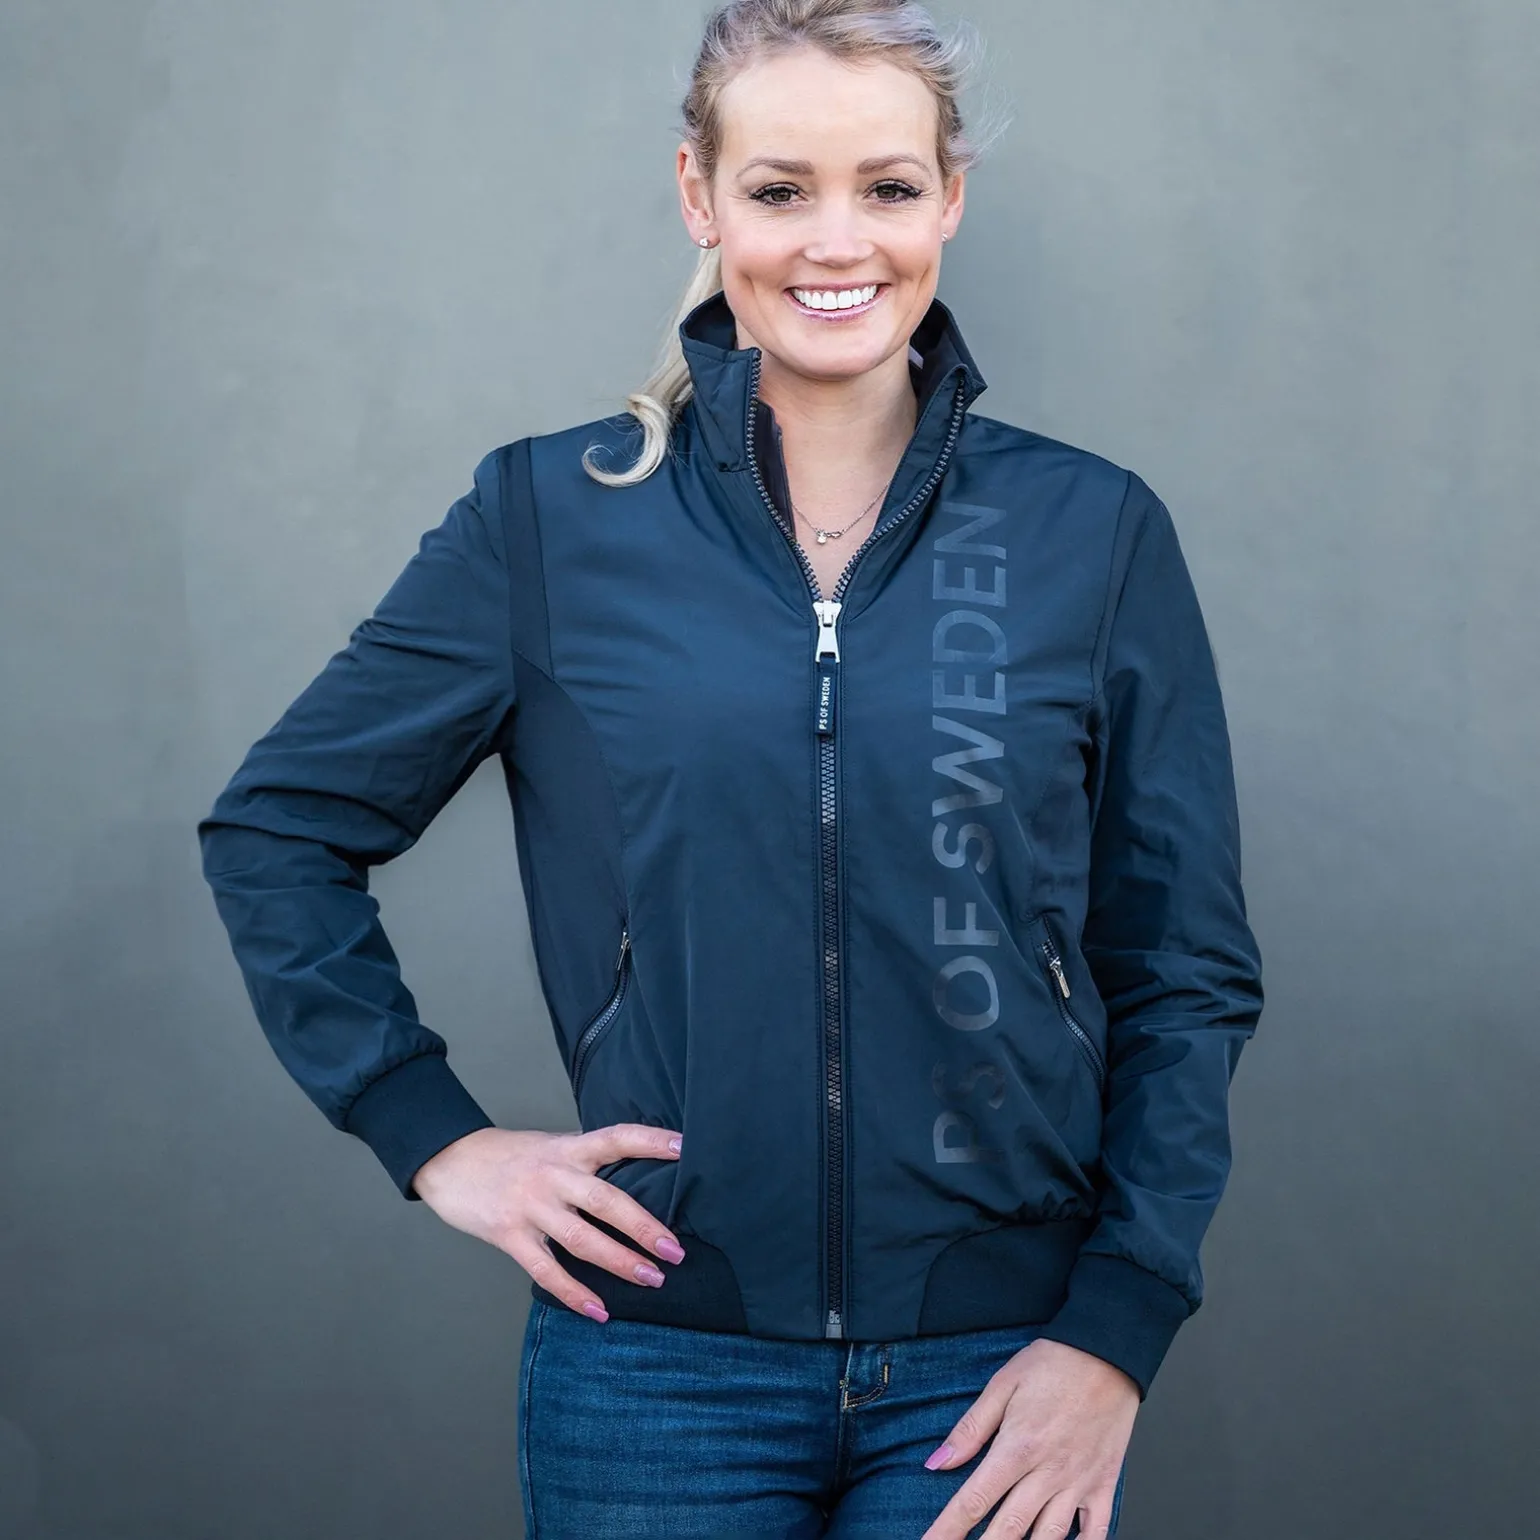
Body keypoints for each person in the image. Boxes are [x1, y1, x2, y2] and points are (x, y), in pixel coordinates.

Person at [197, 1, 1264, 1535]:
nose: (838, 240)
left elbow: (1182, 969)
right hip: (656, 1369)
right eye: (780, 188)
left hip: (1000, 1363)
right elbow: (279, 828)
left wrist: (1117, 1330)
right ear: (700, 197)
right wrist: (431, 1135)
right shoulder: (551, 520)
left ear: (950, 200)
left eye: (888, 187)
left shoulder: (1090, 533)